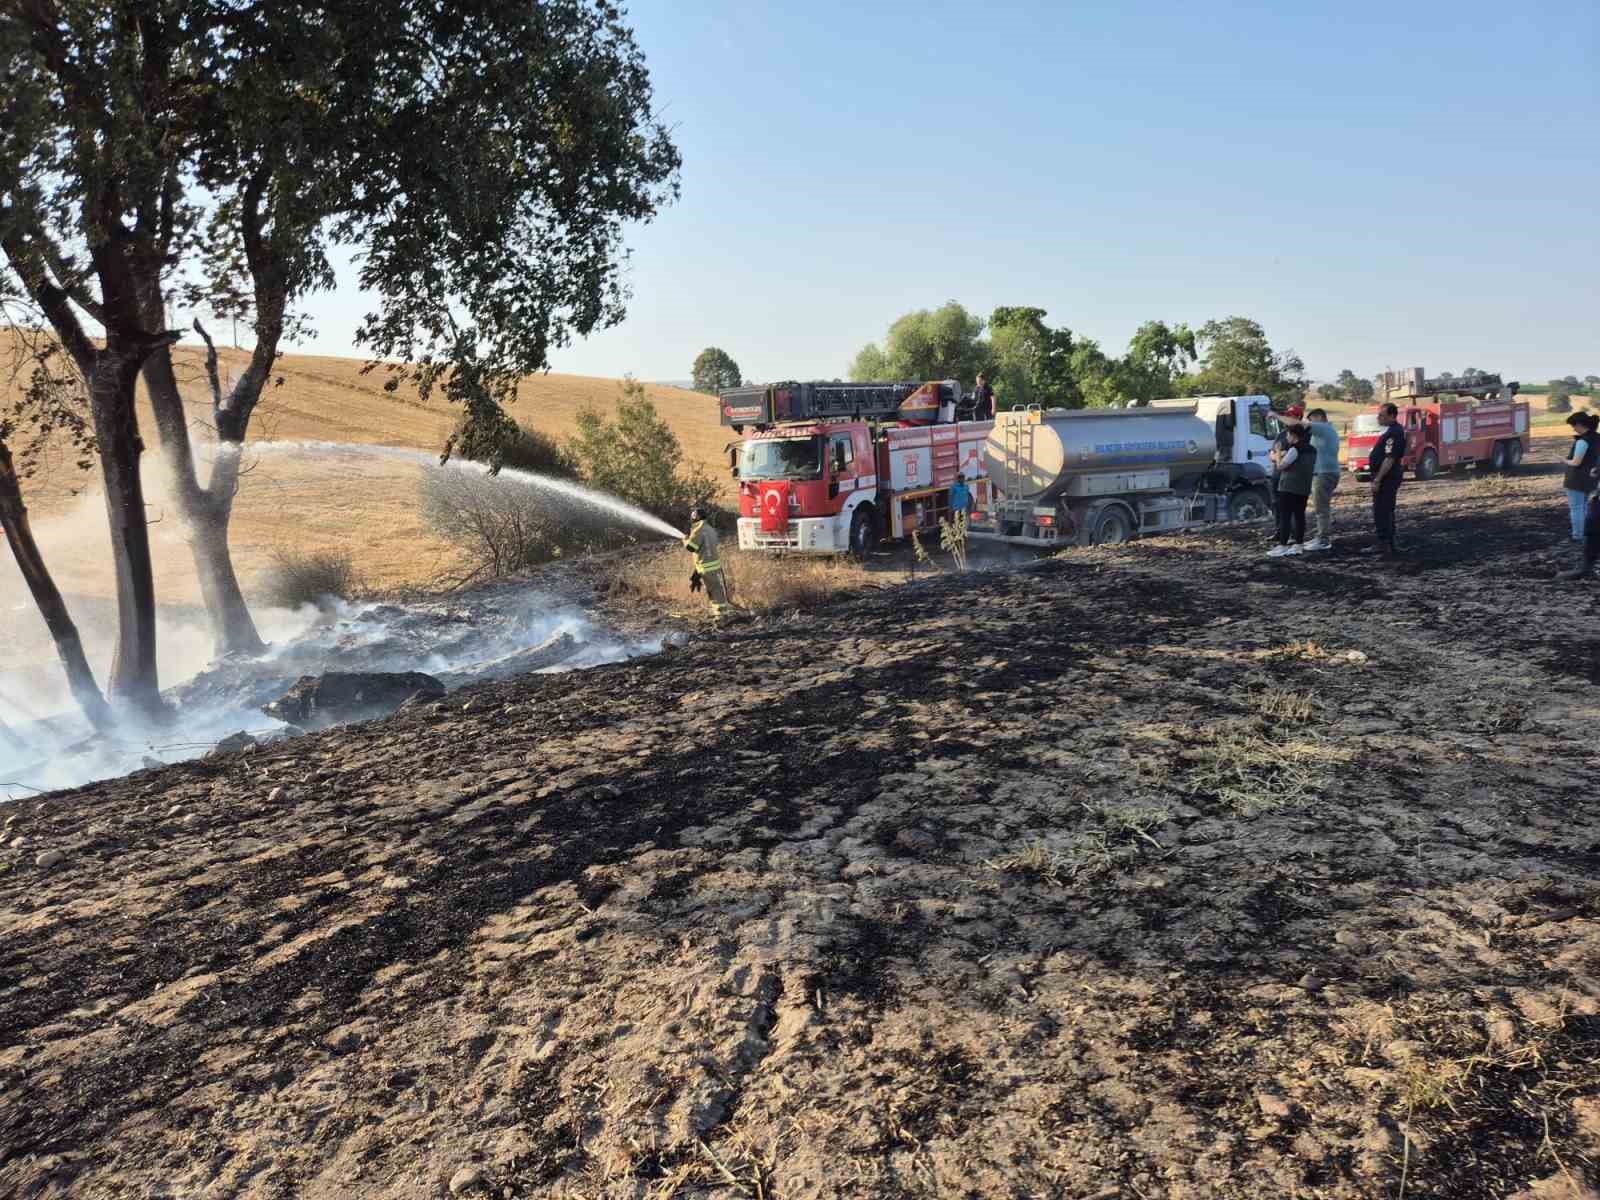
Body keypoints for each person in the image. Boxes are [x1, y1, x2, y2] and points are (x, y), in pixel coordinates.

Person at [1365, 402, 1407, 557]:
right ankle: (1388, 542)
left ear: (1392, 416)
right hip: (1387, 476)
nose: (1378, 418)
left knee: (1382, 510)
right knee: (1385, 509)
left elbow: (1389, 459)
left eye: (1382, 415)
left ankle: (1384, 543)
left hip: (1387, 477)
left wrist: (1378, 479)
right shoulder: (1392, 431)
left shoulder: (1394, 433)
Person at [1268, 424, 1316, 556]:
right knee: (1300, 516)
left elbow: (1280, 466)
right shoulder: (1312, 449)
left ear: (1294, 435)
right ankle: (1298, 545)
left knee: (1285, 516)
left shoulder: (1294, 449)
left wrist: (1278, 453)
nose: (1287, 437)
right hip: (1304, 486)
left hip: (1288, 486)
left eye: (1288, 435)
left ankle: (1282, 546)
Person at [1303, 407, 1342, 551]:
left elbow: (1300, 425)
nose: (1310, 422)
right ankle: (1320, 536)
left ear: (1319, 417)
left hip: (1324, 473)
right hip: (1325, 472)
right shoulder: (1326, 430)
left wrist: (1276, 416)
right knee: (1320, 507)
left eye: (1311, 419)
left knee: (1321, 508)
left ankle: (1323, 540)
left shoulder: (1323, 428)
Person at [683, 507, 733, 619]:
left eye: (693, 516)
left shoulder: (698, 530)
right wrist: (696, 571)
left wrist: (685, 540)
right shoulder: (710, 529)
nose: (691, 518)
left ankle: (720, 615)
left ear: (697, 517)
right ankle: (723, 611)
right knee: (717, 588)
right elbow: (708, 548)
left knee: (714, 591)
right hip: (714, 565)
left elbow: (691, 547)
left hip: (706, 567)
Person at [1561, 412, 1599, 544]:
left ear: (1579, 424)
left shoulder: (1582, 441)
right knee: (1584, 507)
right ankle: (1586, 532)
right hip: (1591, 477)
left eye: (1573, 425)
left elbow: (1576, 462)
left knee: (1576, 508)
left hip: (1576, 479)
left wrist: (1563, 460)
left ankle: (1577, 536)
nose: (1573, 429)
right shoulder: (1598, 437)